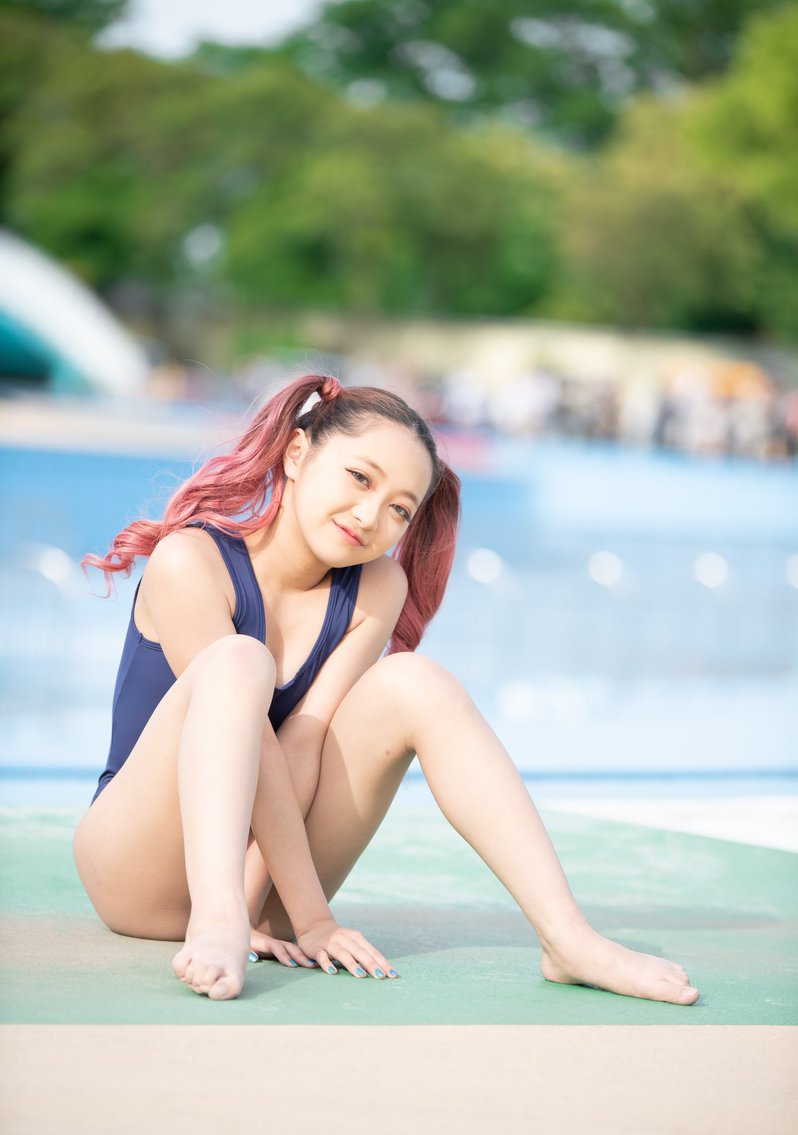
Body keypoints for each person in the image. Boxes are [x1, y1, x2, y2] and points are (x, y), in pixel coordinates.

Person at [72, 373, 700, 1006]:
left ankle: (568, 939)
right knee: (238, 663)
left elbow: (301, 747)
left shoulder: (374, 589)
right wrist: (251, 912)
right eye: (360, 478)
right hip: (138, 871)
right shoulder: (191, 560)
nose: (371, 516)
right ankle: (216, 920)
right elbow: (250, 744)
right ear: (297, 454)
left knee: (416, 682)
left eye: (400, 508)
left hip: (265, 890)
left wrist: (302, 916)